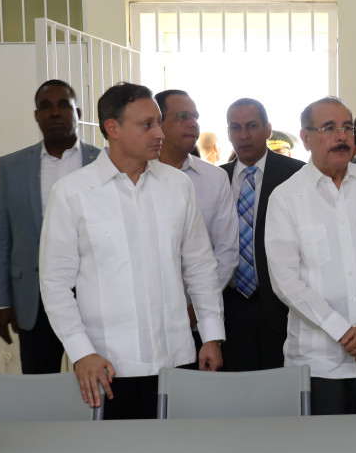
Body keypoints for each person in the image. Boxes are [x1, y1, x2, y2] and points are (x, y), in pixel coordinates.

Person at [40, 83, 225, 420]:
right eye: (147, 125)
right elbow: (55, 283)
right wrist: (81, 353)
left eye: (159, 122)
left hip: (176, 359)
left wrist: (211, 335)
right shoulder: (72, 192)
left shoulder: (178, 185)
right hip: (106, 366)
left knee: (180, 450)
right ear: (113, 128)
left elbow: (200, 265)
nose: (159, 133)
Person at [265, 97, 356, 415]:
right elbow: (286, 281)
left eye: (347, 127)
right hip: (317, 362)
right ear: (305, 138)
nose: (342, 136)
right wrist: (343, 332)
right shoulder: (286, 198)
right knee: (322, 446)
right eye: (329, 128)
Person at [0, 80, 100, 374]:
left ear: (78, 112)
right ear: (36, 115)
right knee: (39, 386)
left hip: (95, 296)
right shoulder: (12, 166)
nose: (55, 112)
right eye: (46, 106)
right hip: (34, 300)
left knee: (99, 384)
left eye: (63, 105)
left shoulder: (103, 162)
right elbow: (2, 236)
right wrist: (0, 302)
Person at [220, 97, 304, 371]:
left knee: (280, 387)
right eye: (235, 127)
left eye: (252, 126)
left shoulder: (296, 174)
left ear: (268, 129)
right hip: (229, 306)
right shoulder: (217, 178)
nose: (243, 135)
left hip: (281, 306)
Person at [154, 89, 238, 356]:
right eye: (183, 117)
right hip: (147, 318)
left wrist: (196, 309)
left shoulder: (214, 178)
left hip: (201, 322)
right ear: (158, 123)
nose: (193, 124)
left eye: (195, 117)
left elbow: (225, 253)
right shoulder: (138, 176)